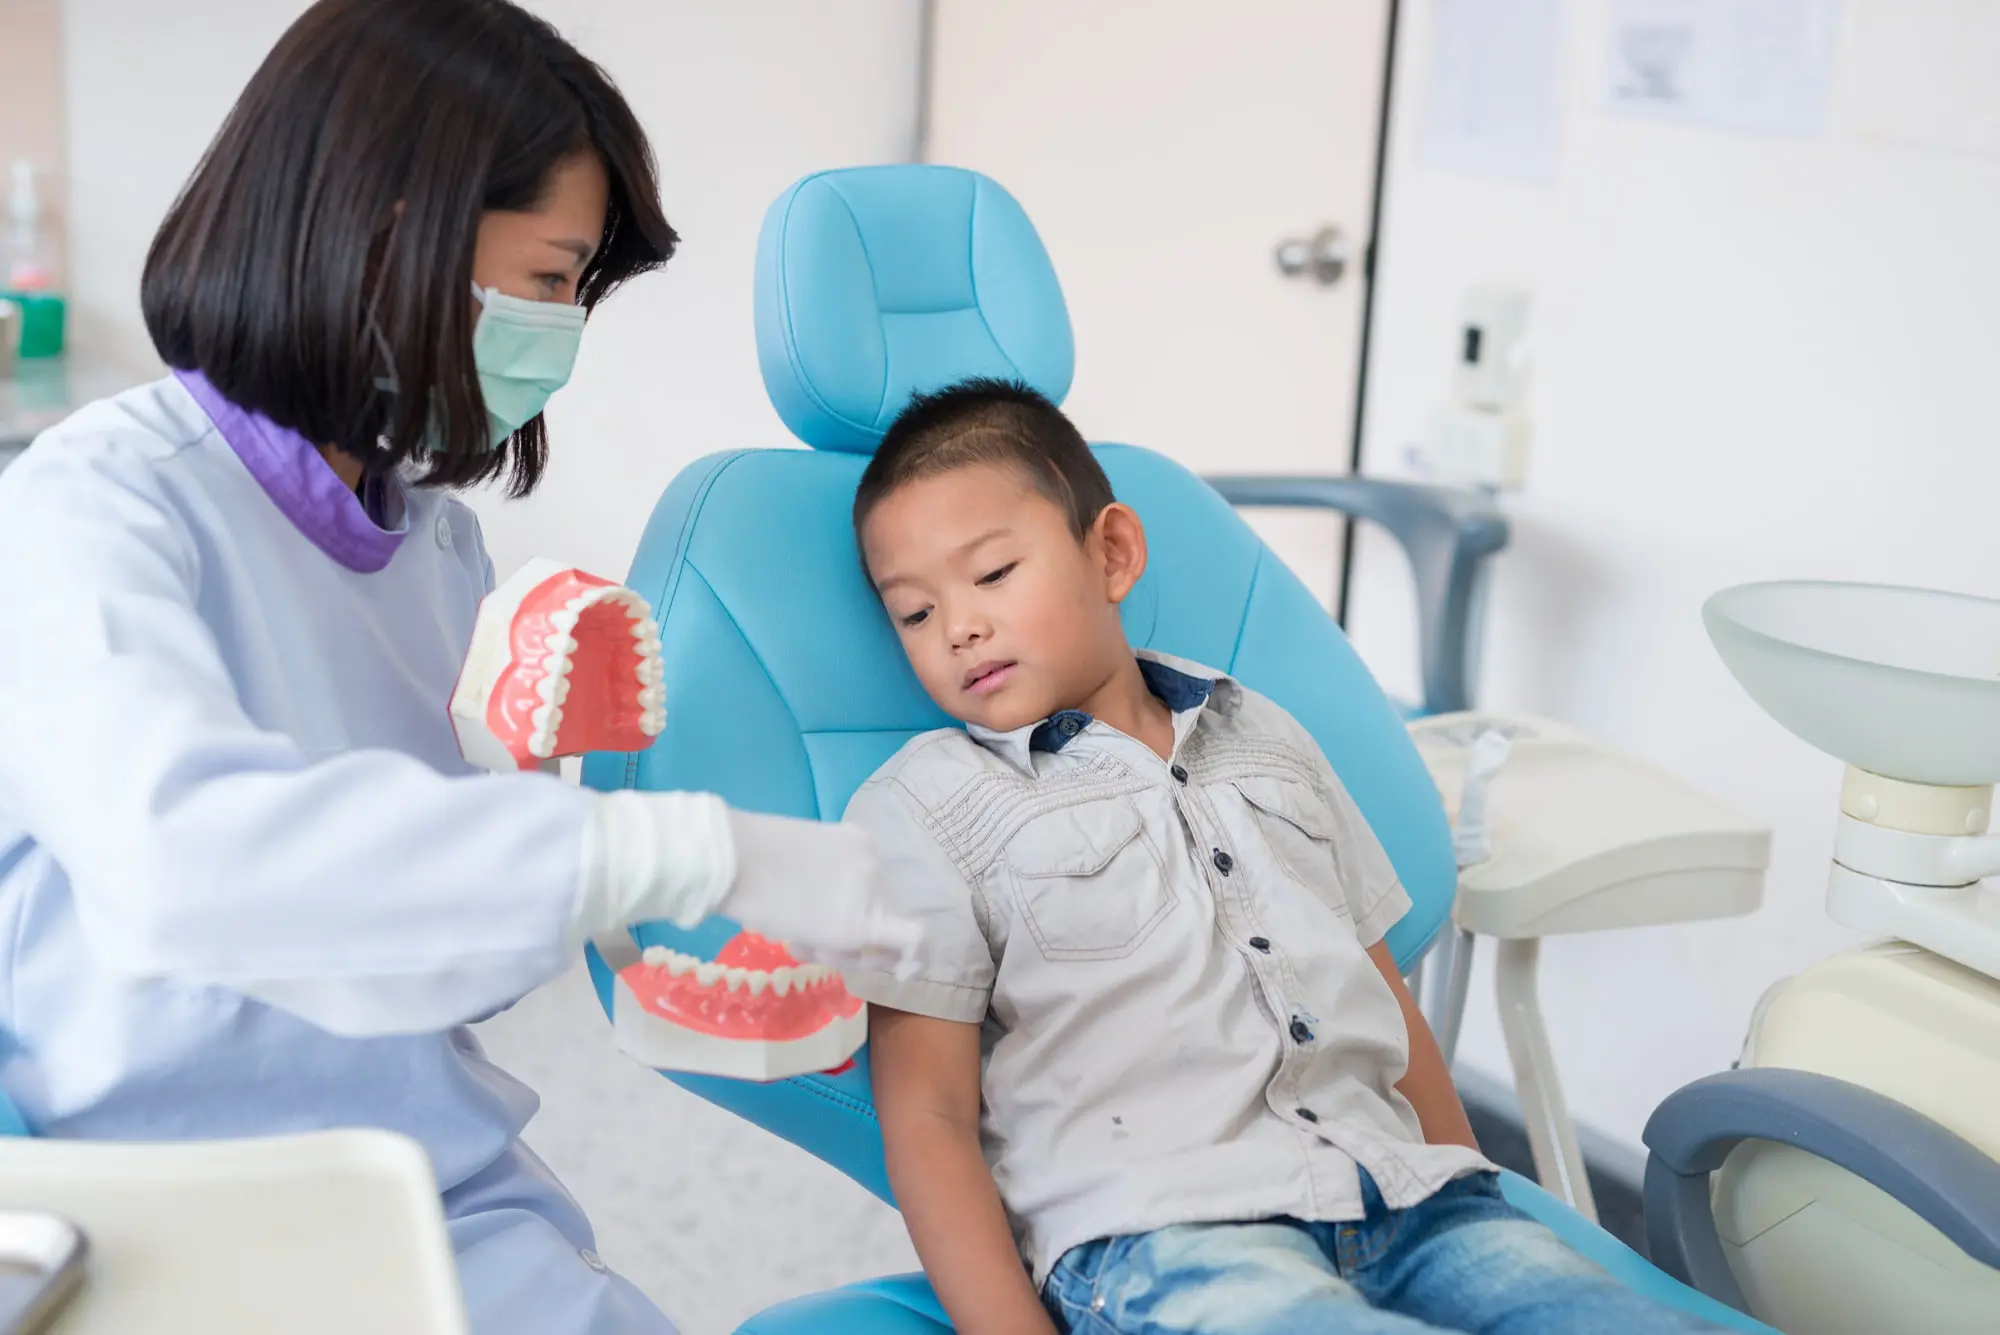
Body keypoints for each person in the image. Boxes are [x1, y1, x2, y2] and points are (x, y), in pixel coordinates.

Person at [0, 2, 916, 1330]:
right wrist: (683, 849)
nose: (561, 332)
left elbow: (447, 973)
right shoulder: (92, 507)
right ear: (392, 227)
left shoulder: (440, 555)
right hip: (152, 1206)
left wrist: (550, 824)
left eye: (575, 291)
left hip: (424, 1181)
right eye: (548, 278)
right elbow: (184, 860)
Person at [840, 378, 1732, 1335]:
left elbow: (1384, 995)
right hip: (1162, 1234)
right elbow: (926, 1113)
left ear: (1111, 552)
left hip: (1411, 1203)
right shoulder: (925, 806)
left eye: (990, 575)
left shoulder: (1260, 732)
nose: (958, 627)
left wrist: (1475, 1194)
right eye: (915, 614)